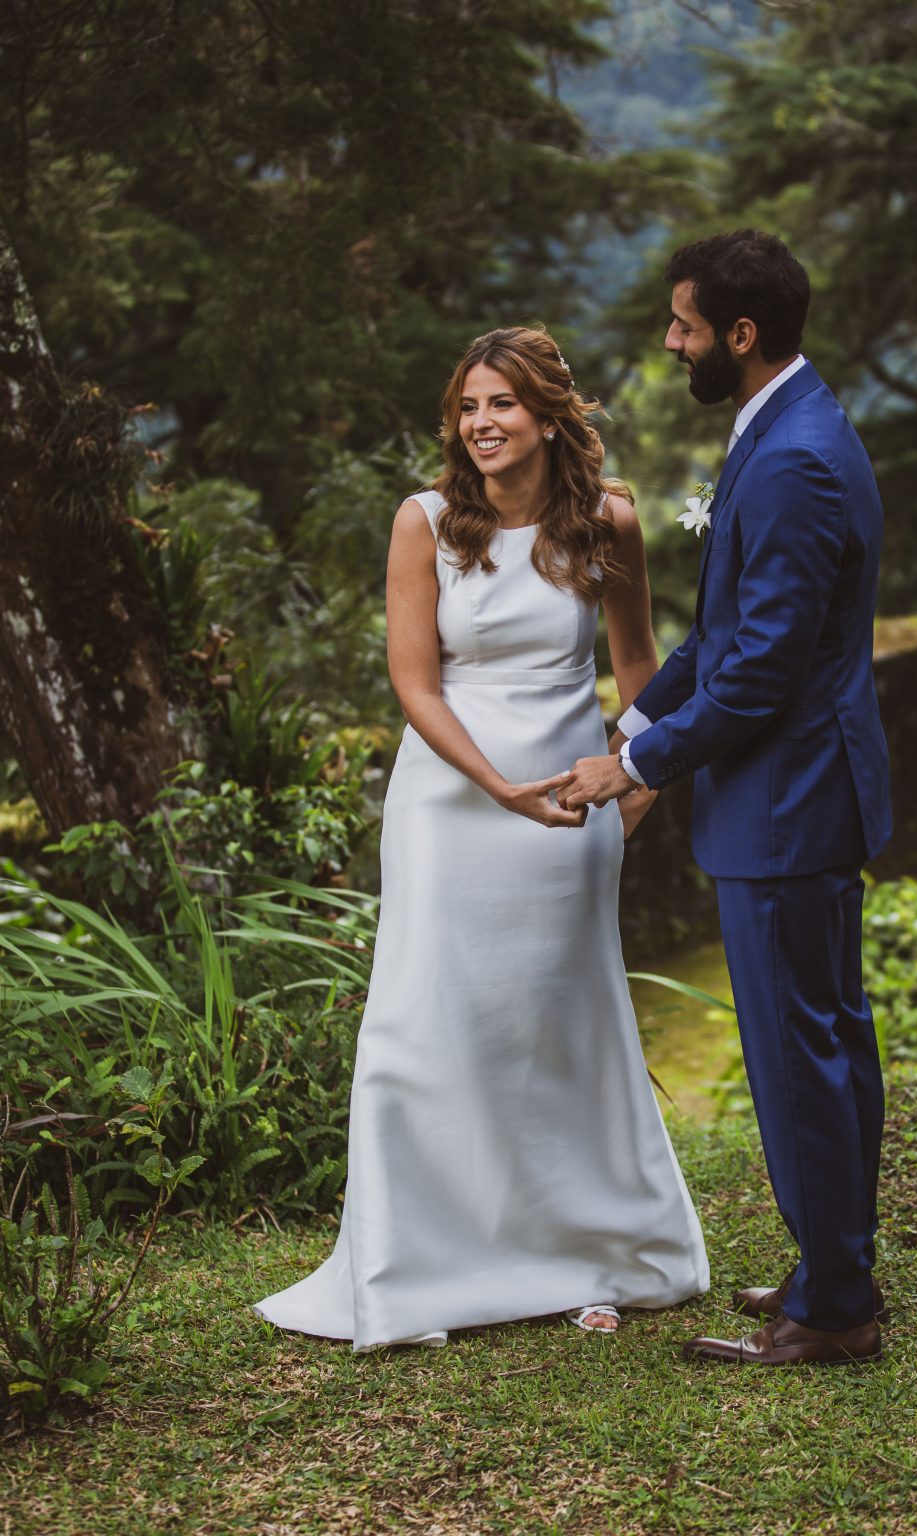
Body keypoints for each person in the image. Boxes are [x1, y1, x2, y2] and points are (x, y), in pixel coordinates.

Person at [254, 326, 709, 1350]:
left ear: (547, 414)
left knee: (559, 1022)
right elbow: (414, 683)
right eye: (468, 406)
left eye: (501, 403)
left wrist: (641, 777)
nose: (481, 423)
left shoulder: (608, 520)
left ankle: (594, 1248)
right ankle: (426, 1262)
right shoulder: (423, 522)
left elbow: (637, 665)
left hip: (568, 812)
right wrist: (498, 787)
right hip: (450, 809)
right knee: (431, 1020)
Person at [560, 230, 892, 1367]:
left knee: (800, 1054)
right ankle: (834, 1268)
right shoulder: (788, 425)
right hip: (804, 796)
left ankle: (835, 1310)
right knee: (827, 1040)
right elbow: (721, 635)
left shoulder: (792, 460)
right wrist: (635, 723)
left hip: (787, 805)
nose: (672, 342)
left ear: (739, 335)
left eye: (686, 325)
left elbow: (760, 671)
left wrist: (638, 766)